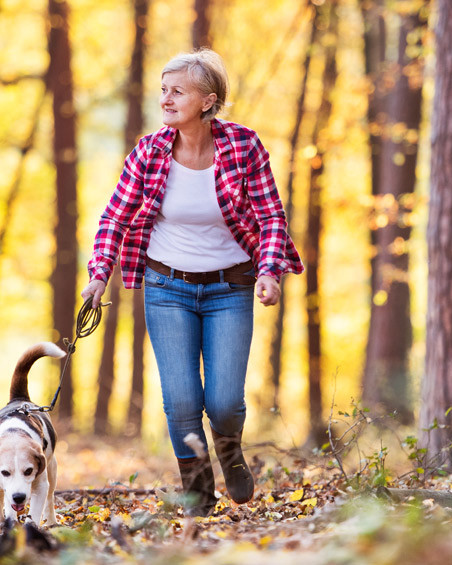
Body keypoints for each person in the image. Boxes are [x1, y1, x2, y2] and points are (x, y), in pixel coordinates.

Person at [81, 48, 303, 516]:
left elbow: (271, 217)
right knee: (181, 400)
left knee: (223, 402)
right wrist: (100, 275)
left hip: (231, 287)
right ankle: (199, 493)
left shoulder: (244, 146)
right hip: (168, 289)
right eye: (163, 90)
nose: (165, 99)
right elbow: (114, 217)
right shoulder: (148, 151)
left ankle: (229, 452)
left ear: (207, 100)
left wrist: (268, 272)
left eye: (177, 91)